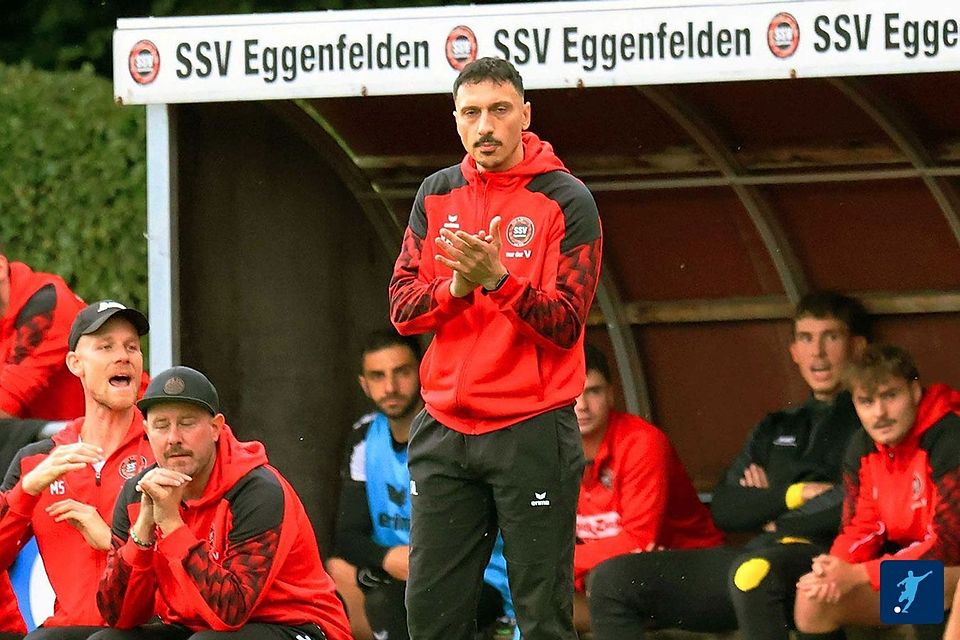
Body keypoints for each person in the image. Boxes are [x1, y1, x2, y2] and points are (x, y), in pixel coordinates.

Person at [388, 57, 602, 640]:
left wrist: (498, 280)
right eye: (471, 112)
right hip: (445, 427)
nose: (486, 125)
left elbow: (565, 323)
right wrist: (455, 287)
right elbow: (402, 309)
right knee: (430, 612)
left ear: (525, 116)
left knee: (540, 614)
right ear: (456, 121)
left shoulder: (567, 199)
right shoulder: (436, 192)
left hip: (531, 428)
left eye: (500, 110)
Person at [588, 291, 870, 640]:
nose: (818, 352)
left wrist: (768, 507)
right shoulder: (776, 426)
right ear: (794, 351)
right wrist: (795, 494)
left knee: (753, 575)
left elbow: (855, 502)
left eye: (831, 337)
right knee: (612, 580)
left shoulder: (869, 421)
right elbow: (725, 508)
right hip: (755, 553)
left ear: (857, 347)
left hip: (821, 556)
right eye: (806, 338)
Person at [93, 365, 352, 640]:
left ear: (215, 428)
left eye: (187, 423)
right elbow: (117, 616)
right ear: (146, 431)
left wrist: (170, 523)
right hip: (198, 627)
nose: (174, 438)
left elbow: (230, 613)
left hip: (301, 626)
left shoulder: (257, 491)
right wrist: (143, 532)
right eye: (161, 425)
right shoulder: (138, 493)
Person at [328, 330, 515, 640]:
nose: (390, 387)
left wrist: (415, 564)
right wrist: (387, 559)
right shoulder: (364, 438)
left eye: (401, 372)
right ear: (364, 384)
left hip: (473, 578)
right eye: (377, 376)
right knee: (339, 572)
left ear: (423, 372)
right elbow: (348, 534)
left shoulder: (453, 434)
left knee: (402, 603)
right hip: (399, 568)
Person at [0, 300, 152, 640]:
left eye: (132, 347)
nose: (123, 355)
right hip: (66, 631)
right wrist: (27, 491)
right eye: (106, 346)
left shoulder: (165, 450)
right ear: (75, 363)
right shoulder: (37, 461)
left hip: (150, 630)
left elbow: (194, 557)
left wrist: (112, 541)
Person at [795, 344, 960, 637]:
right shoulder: (862, 446)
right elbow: (862, 525)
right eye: (866, 402)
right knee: (812, 602)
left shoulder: (950, 437)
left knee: (931, 586)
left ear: (914, 391)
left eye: (890, 396)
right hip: (913, 569)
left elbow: (950, 543)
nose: (879, 413)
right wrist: (834, 570)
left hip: (950, 569)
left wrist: (858, 575)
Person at [574, 343, 724, 620]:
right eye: (573, 393)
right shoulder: (551, 448)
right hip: (611, 571)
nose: (582, 405)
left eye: (593, 391)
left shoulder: (642, 442)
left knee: (606, 582)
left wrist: (561, 562)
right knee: (539, 599)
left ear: (610, 394)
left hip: (690, 569)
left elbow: (638, 539)